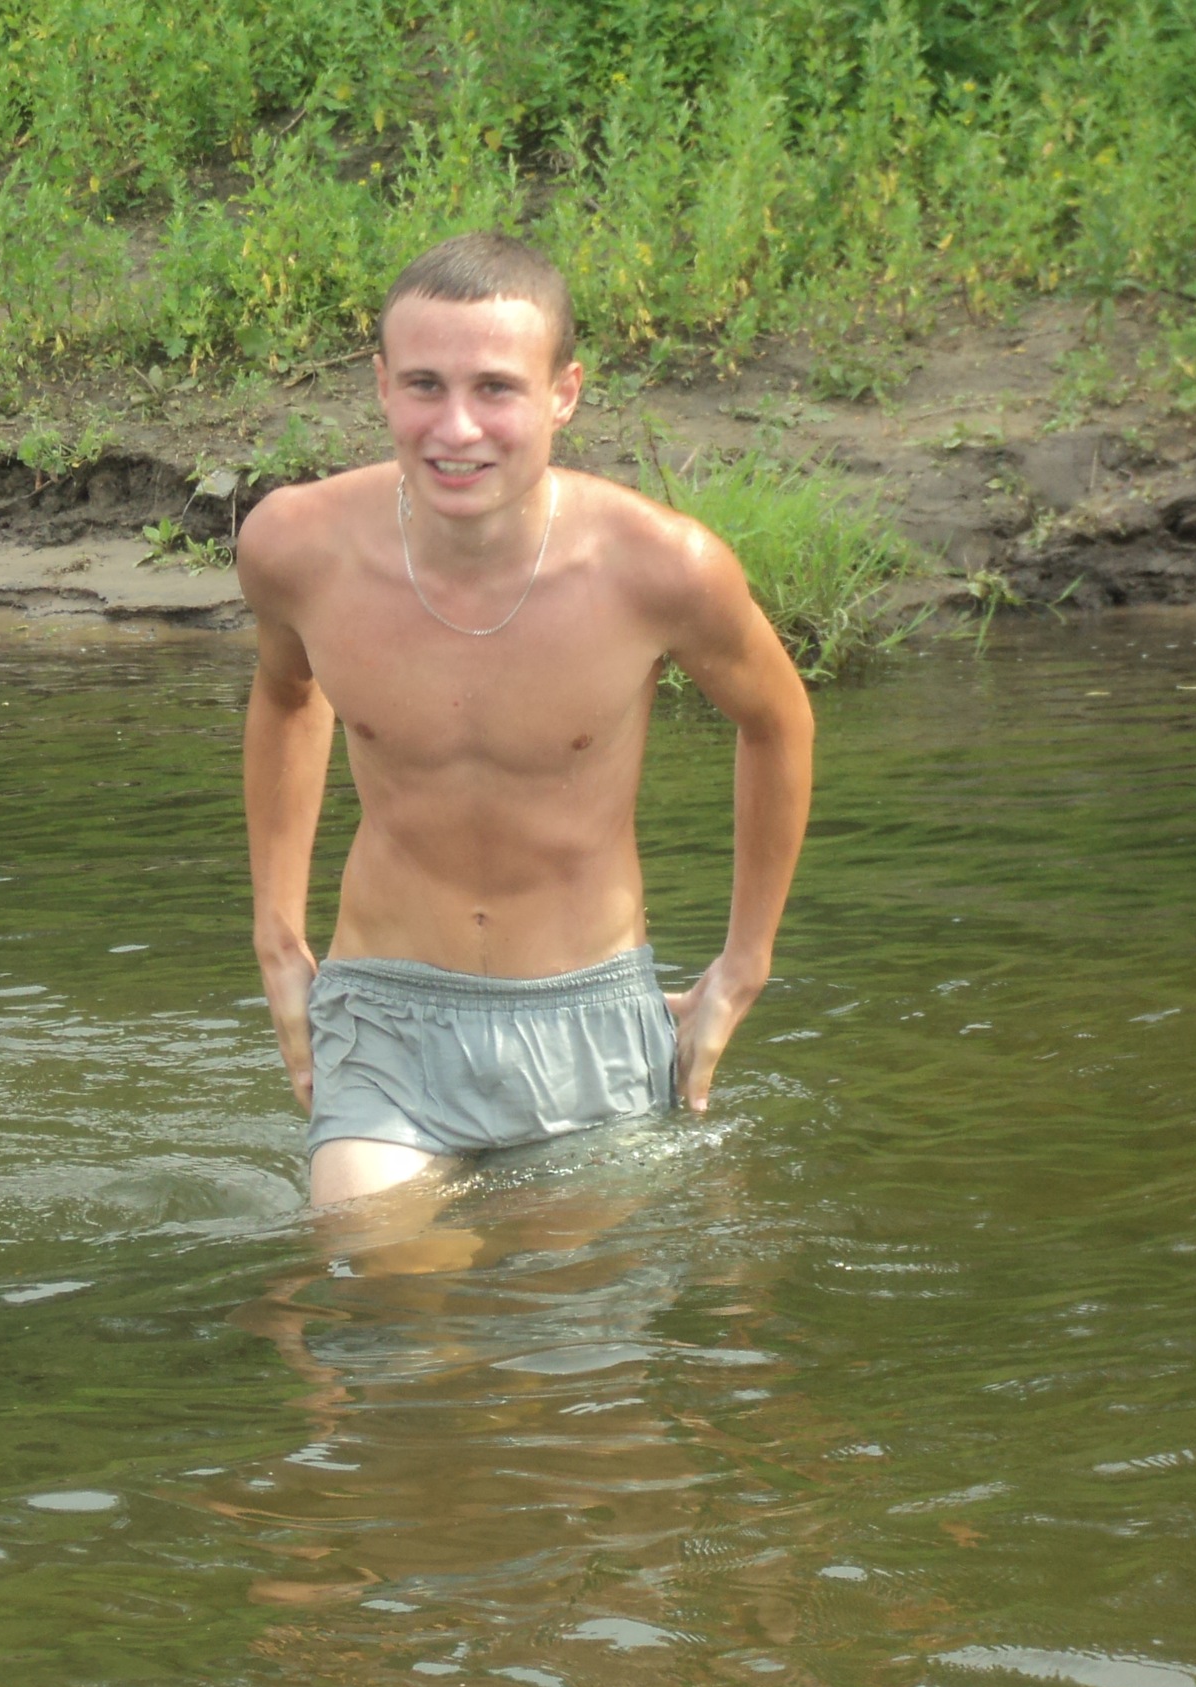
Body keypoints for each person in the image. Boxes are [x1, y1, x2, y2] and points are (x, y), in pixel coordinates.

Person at [236, 231, 815, 1210]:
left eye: (496, 388)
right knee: (379, 1260)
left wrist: (743, 963)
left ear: (563, 394)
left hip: (585, 1019)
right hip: (386, 1013)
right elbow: (287, 696)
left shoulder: (661, 569)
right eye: (424, 385)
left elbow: (779, 723)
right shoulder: (297, 547)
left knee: (563, 1309)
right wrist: (277, 939)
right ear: (380, 385)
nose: (456, 427)